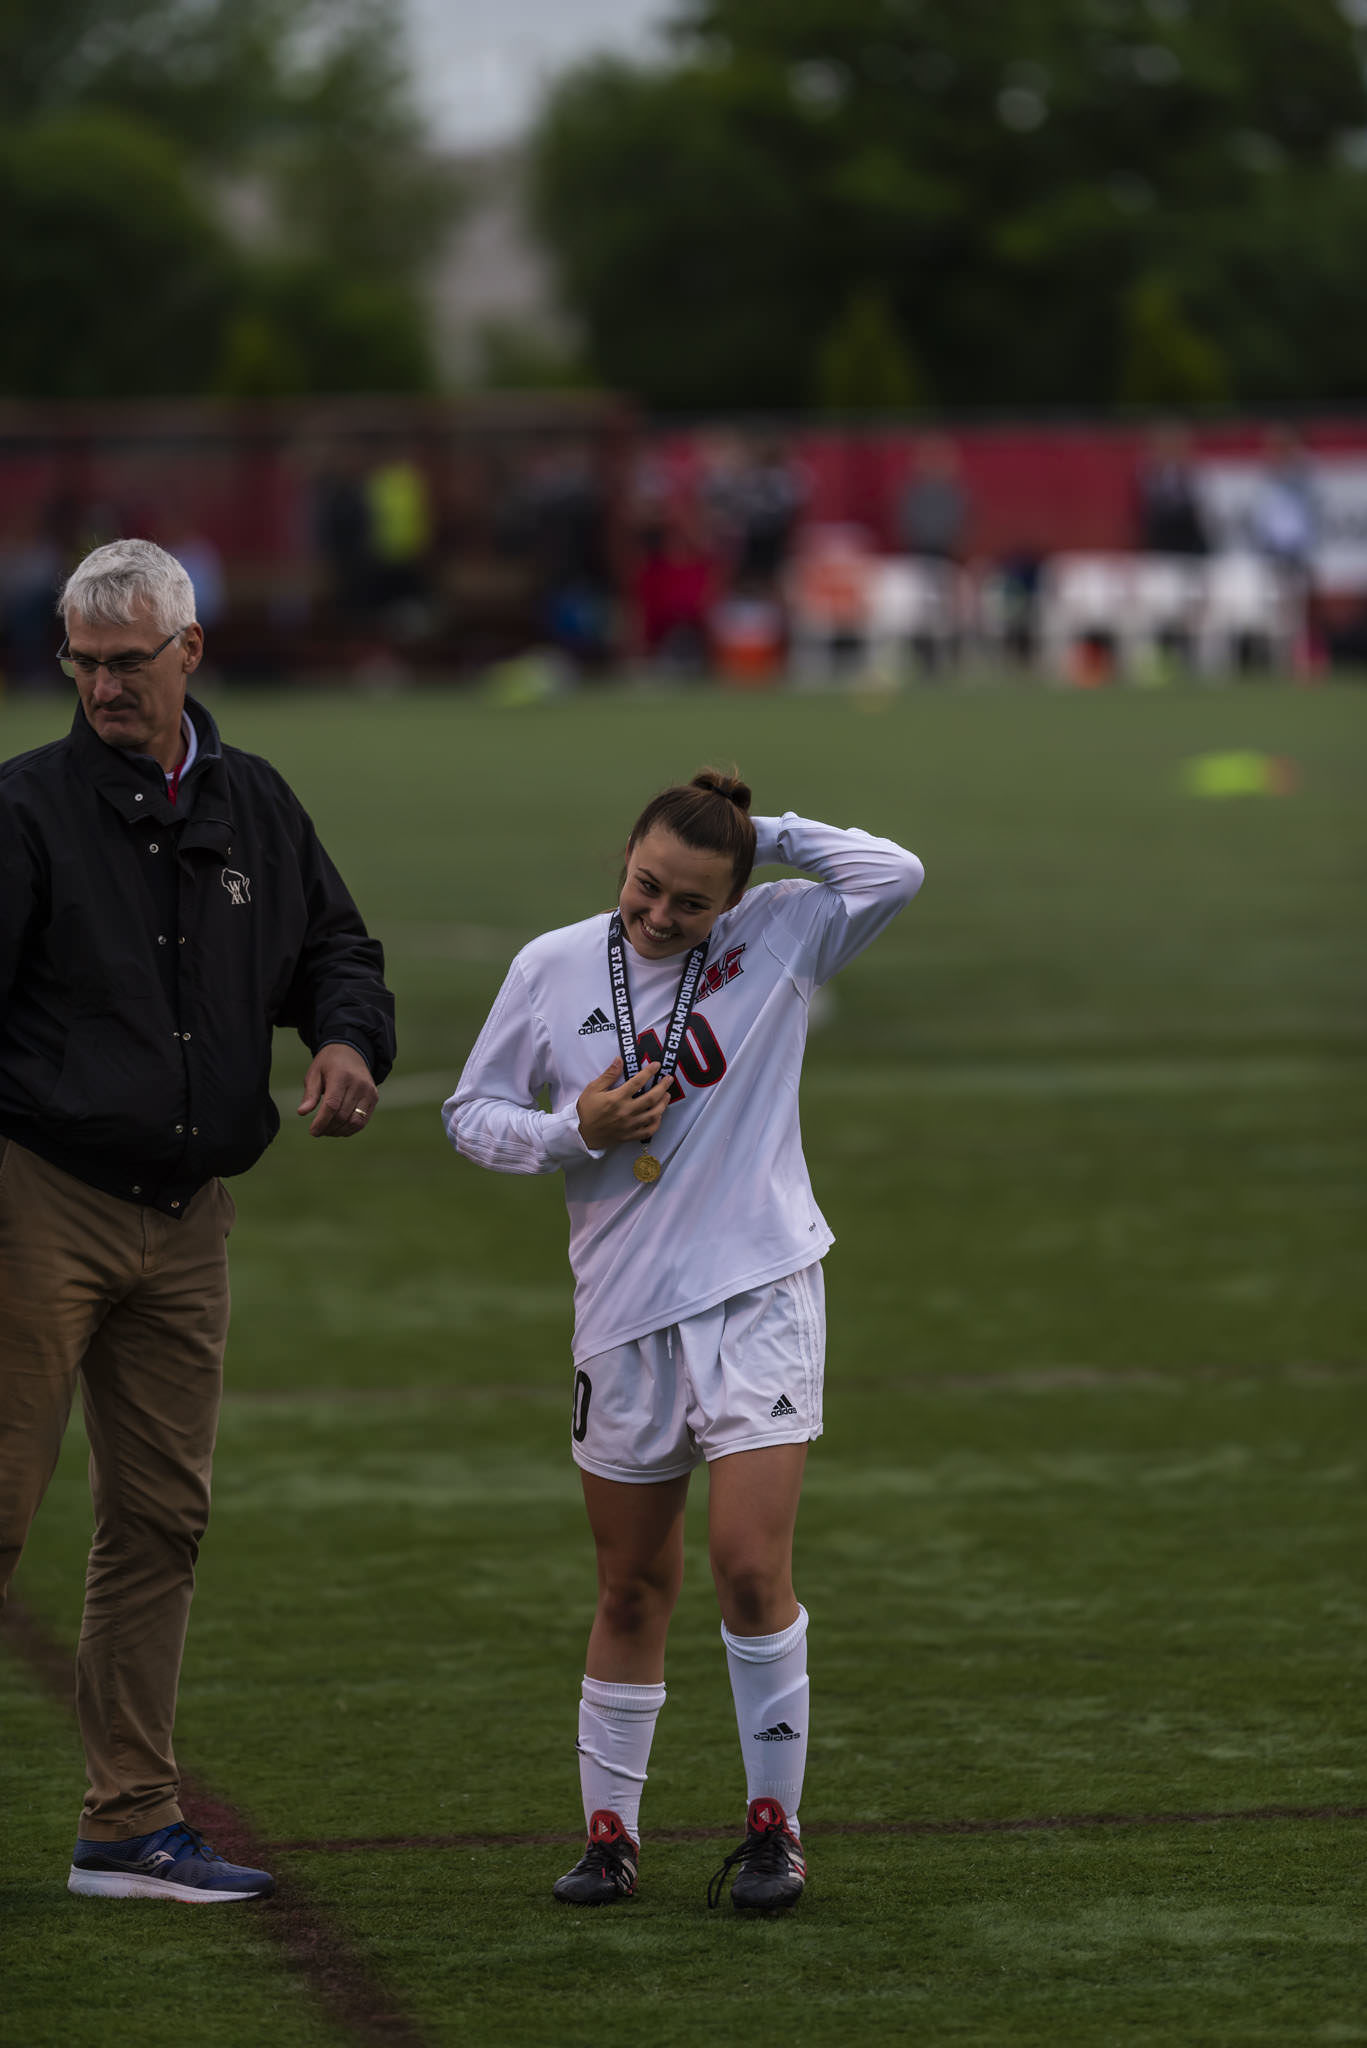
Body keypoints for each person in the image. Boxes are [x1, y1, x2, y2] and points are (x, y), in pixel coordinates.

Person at [442, 771, 923, 1912]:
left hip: (756, 1288)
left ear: (735, 896)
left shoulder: (782, 934)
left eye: (693, 902)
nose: (660, 916)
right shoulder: (551, 965)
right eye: (647, 887)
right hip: (619, 1310)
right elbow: (469, 1113)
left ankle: (774, 1827)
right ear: (623, 859)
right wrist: (575, 1129)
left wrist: (770, 833)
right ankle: (611, 1837)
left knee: (750, 1569)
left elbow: (893, 871)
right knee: (628, 1586)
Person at [0, 538, 396, 1904]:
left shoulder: (257, 804)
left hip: (186, 1218)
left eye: (129, 662)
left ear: (190, 652)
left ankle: (128, 1825)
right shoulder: (25, 811)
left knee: (161, 1520)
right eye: (84, 663)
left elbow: (337, 948)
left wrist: (348, 1043)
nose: (103, 686)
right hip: (35, 1200)